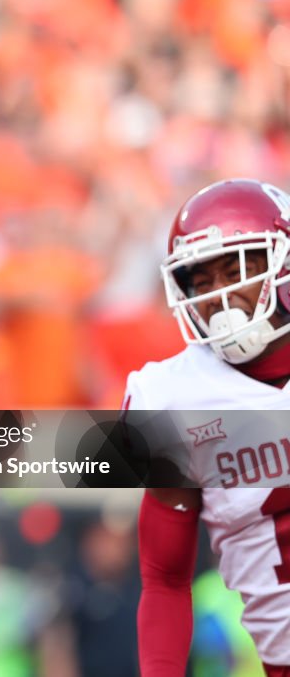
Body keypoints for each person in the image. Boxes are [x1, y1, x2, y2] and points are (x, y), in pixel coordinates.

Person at [125, 178, 290, 676]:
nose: (221, 296)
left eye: (239, 269)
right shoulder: (174, 397)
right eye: (204, 280)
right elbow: (165, 578)